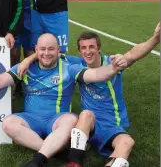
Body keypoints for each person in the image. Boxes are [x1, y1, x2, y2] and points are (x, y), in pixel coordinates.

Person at [0, 33, 126, 167]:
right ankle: (56, 150)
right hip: (32, 120)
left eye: (51, 49)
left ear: (58, 49)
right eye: (42, 49)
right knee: (8, 123)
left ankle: (38, 159)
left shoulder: (69, 67)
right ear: (36, 49)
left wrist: (114, 67)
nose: (46, 53)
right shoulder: (25, 68)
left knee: (71, 119)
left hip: (56, 121)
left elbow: (96, 74)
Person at [17, 24, 160, 167]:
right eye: (83, 48)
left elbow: (133, 54)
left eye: (92, 47)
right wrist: (27, 60)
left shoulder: (112, 62)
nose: (88, 51)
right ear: (80, 52)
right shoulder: (77, 63)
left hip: (111, 124)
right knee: (86, 114)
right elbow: (50, 52)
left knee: (128, 142)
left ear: (99, 49)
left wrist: (156, 39)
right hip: (88, 125)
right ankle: (74, 162)